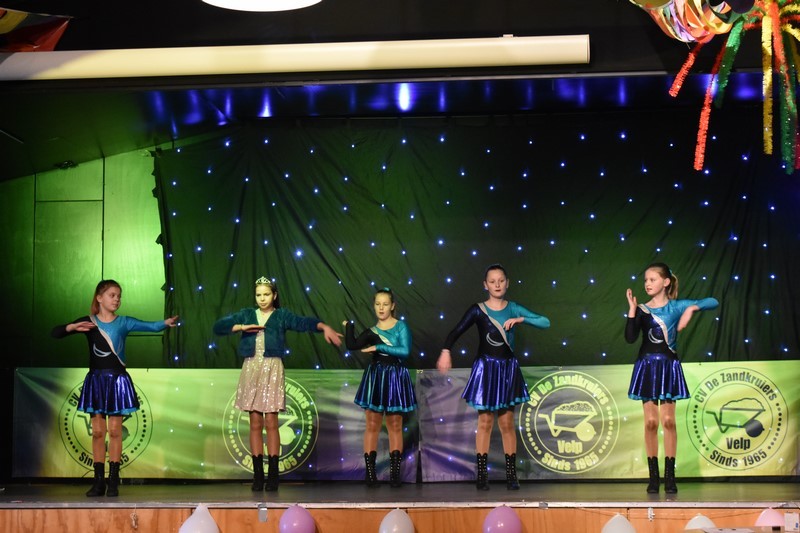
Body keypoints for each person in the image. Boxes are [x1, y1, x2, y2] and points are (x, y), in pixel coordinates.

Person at [213, 276, 341, 491]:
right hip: (251, 368)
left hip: (272, 368)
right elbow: (219, 327)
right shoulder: (247, 314)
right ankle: (258, 475)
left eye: (266, 294)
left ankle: (273, 475)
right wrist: (242, 327)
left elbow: (302, 322)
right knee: (255, 423)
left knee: (271, 422)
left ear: (274, 295)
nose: (262, 298)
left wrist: (323, 326)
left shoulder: (281, 316)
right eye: (258, 295)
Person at [51, 279, 178, 497]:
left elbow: (151, 326)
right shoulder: (89, 322)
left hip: (117, 381)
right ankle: (98, 482)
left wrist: (165, 322)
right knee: (98, 432)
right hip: (96, 382)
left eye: (119, 296)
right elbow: (56, 332)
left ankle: (113, 482)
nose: (117, 299)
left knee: (115, 431)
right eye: (112, 295)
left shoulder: (124, 322)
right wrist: (72, 327)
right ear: (99, 298)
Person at [436, 264, 550, 490]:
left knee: (507, 423)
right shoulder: (478, 310)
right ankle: (482, 474)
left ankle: (511, 475)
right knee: (485, 421)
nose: (497, 285)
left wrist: (521, 319)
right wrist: (446, 351)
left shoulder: (514, 308)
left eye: (501, 280)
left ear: (507, 283)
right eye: (492, 281)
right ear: (485, 285)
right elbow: (456, 331)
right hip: (486, 369)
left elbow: (545, 322)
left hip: (507, 369)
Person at [625, 262, 718, 494]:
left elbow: (712, 301)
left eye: (652, 279)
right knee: (650, 422)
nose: (647, 284)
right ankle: (653, 477)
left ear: (666, 282)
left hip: (668, 367)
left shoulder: (677, 307)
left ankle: (669, 476)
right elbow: (630, 337)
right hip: (647, 367)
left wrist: (691, 309)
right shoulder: (643, 309)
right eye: (646, 280)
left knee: (668, 421)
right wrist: (632, 310)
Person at [342, 288, 416, 488]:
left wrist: (378, 347)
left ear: (392, 306)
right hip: (376, 377)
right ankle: (370, 474)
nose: (381, 308)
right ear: (374, 306)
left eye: (385, 304)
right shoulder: (371, 331)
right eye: (377, 304)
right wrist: (349, 327)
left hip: (395, 377)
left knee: (395, 425)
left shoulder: (401, 326)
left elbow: (404, 351)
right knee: (372, 425)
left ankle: (394, 474)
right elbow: (352, 345)